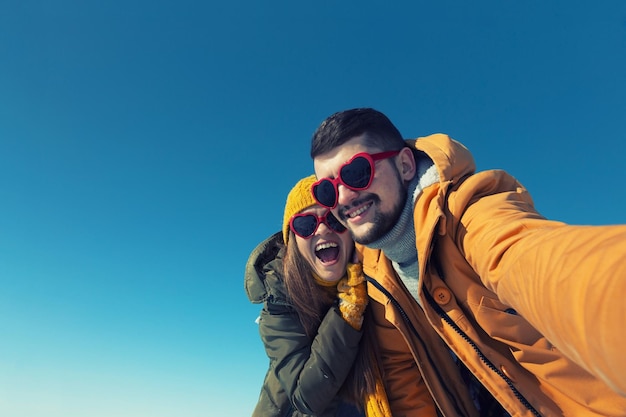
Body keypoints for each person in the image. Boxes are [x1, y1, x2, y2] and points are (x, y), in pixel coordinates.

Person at [309, 108, 626, 416]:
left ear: (405, 166)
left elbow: (545, 264)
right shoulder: (378, 274)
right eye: (326, 190)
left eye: (356, 172)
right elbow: (404, 376)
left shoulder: (469, 218)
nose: (344, 197)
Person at [244, 175, 403, 417]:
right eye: (305, 224)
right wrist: (347, 311)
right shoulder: (280, 301)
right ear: (293, 241)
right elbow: (306, 396)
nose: (322, 228)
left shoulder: (380, 280)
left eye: (333, 218)